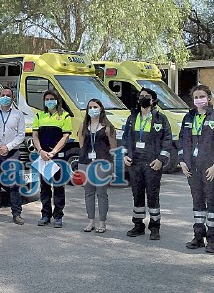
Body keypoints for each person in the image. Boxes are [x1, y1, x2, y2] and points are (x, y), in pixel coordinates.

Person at [178, 85, 214, 253]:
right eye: (196, 97)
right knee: (197, 203)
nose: (199, 100)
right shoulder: (188, 117)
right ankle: (198, 237)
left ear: (209, 98)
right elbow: (181, 141)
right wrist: (182, 162)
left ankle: (212, 240)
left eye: (202, 96)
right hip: (192, 168)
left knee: (212, 203)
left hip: (210, 168)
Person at [123, 87, 171, 240]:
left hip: (152, 164)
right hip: (135, 163)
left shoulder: (160, 118)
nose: (143, 98)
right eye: (141, 96)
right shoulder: (132, 118)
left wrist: (161, 160)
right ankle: (138, 225)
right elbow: (125, 139)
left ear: (153, 100)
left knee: (152, 196)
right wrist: (125, 155)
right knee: (137, 195)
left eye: (147, 96)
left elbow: (167, 141)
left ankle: (155, 227)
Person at [0, 87, 26, 225]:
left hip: (12, 152)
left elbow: (21, 135)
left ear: (13, 99)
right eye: (3, 95)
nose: (5, 97)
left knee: (13, 184)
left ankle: (16, 214)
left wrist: (8, 147)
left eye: (8, 95)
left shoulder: (18, 115)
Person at [32, 90, 72, 228]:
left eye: (52, 98)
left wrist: (54, 152)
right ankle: (45, 215)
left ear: (57, 100)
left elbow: (65, 136)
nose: (49, 101)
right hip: (43, 156)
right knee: (45, 187)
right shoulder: (39, 115)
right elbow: (35, 135)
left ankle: (58, 216)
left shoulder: (65, 116)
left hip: (58, 157)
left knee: (59, 187)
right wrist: (41, 151)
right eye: (47, 99)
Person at [77, 99, 117, 233]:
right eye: (90, 107)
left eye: (95, 107)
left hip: (102, 163)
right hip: (85, 163)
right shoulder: (83, 125)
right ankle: (90, 221)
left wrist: (113, 167)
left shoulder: (107, 127)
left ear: (101, 109)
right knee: (88, 193)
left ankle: (102, 222)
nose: (92, 109)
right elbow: (81, 144)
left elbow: (113, 148)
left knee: (101, 193)